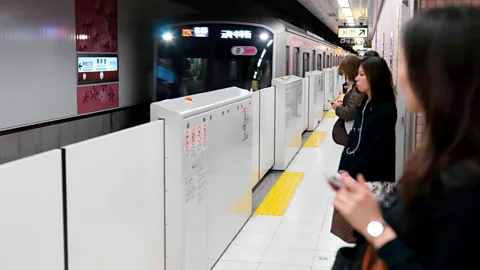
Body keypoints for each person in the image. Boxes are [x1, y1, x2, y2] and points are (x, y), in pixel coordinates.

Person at [332, 6, 480, 269]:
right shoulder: (444, 155)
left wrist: (374, 226)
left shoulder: (464, 181)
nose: (399, 73)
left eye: (405, 61)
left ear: (436, 75)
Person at [337, 56, 397, 185]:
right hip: (358, 174)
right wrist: (343, 167)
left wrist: (351, 175)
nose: (356, 78)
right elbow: (353, 137)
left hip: (373, 178)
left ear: (375, 77)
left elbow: (374, 149)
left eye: (362, 74)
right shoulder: (364, 103)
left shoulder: (386, 108)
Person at [332, 55, 366, 146]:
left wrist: (337, 108)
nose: (346, 78)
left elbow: (349, 113)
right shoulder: (358, 87)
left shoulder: (359, 88)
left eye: (346, 74)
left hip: (355, 133)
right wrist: (344, 104)